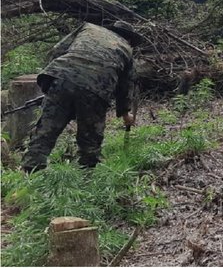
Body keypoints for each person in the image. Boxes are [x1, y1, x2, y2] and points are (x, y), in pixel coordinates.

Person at [21, 21, 143, 173]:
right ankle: (86, 174)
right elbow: (125, 87)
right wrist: (125, 114)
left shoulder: (88, 28)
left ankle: (30, 171)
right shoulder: (126, 49)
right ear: (129, 39)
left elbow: (57, 50)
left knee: (46, 129)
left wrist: (54, 77)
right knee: (90, 137)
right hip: (96, 90)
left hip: (62, 78)